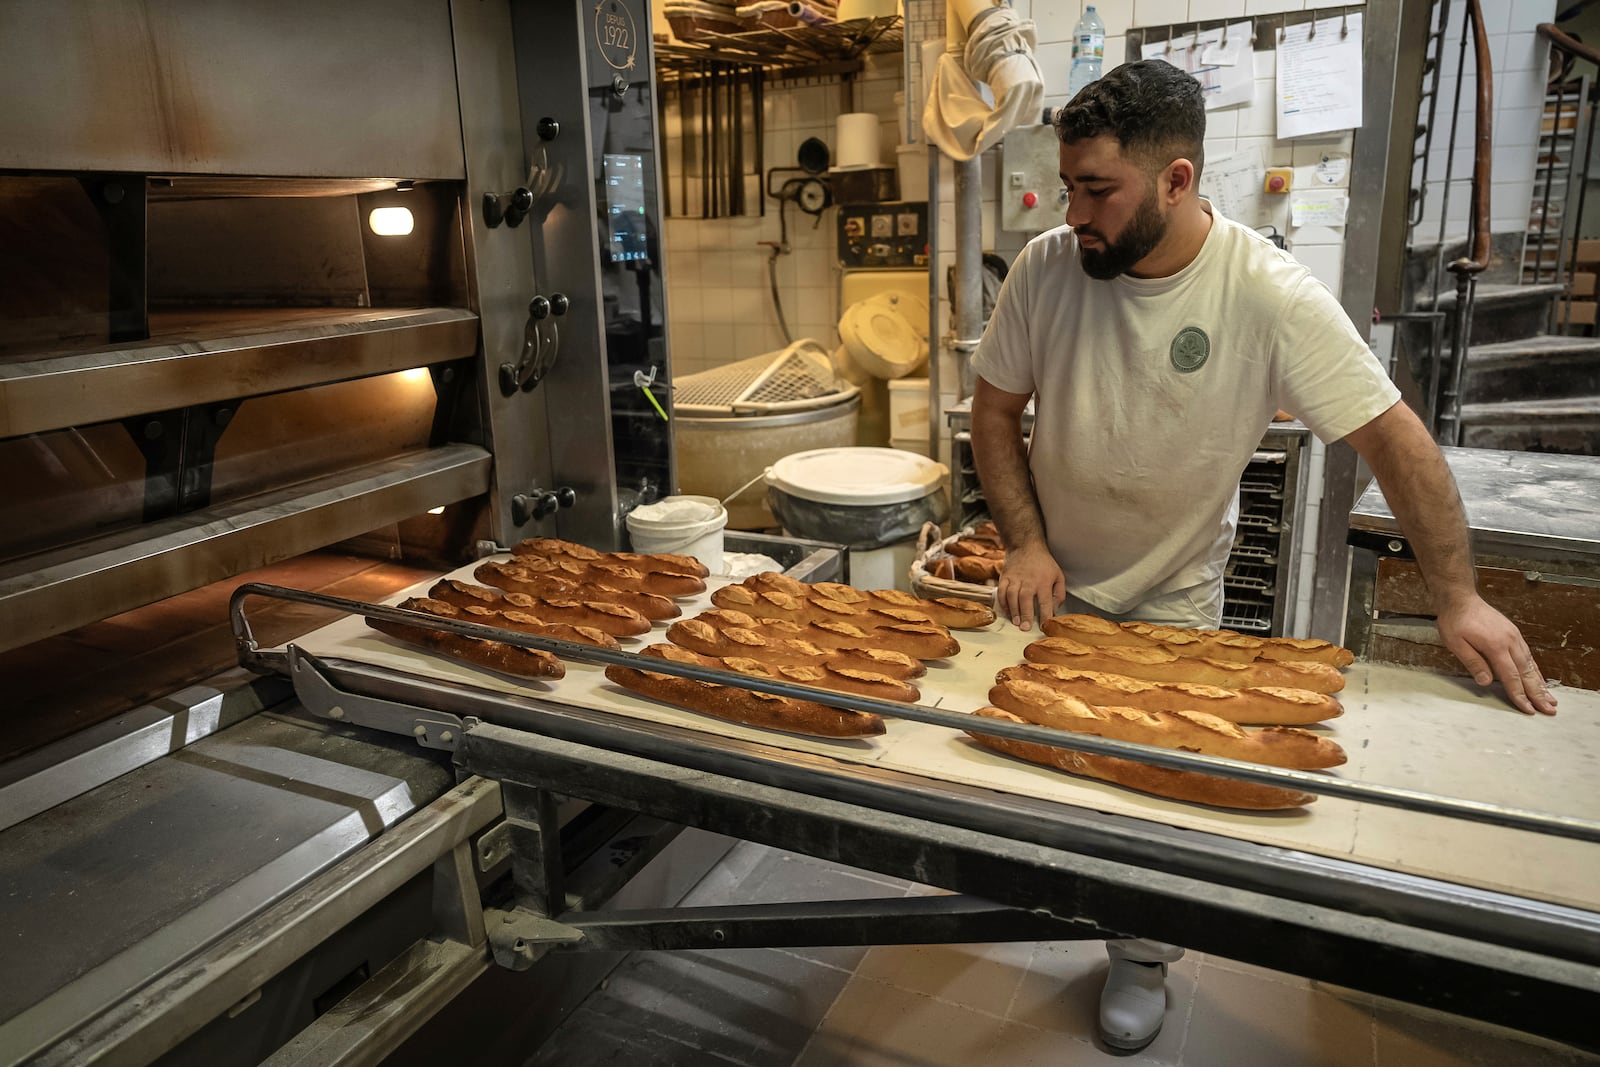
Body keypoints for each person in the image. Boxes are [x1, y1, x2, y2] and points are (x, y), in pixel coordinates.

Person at [969, 59, 1559, 1052]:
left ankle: (1140, 955)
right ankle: (1034, 908)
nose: (1074, 212)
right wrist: (1024, 539)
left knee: (1151, 804)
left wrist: (1457, 597)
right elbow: (993, 410)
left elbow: (1395, 438)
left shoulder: (1267, 292)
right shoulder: (1044, 270)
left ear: (1177, 180)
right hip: (1049, 589)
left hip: (1171, 598)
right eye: (1068, 186)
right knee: (1032, 780)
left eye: (1097, 190)